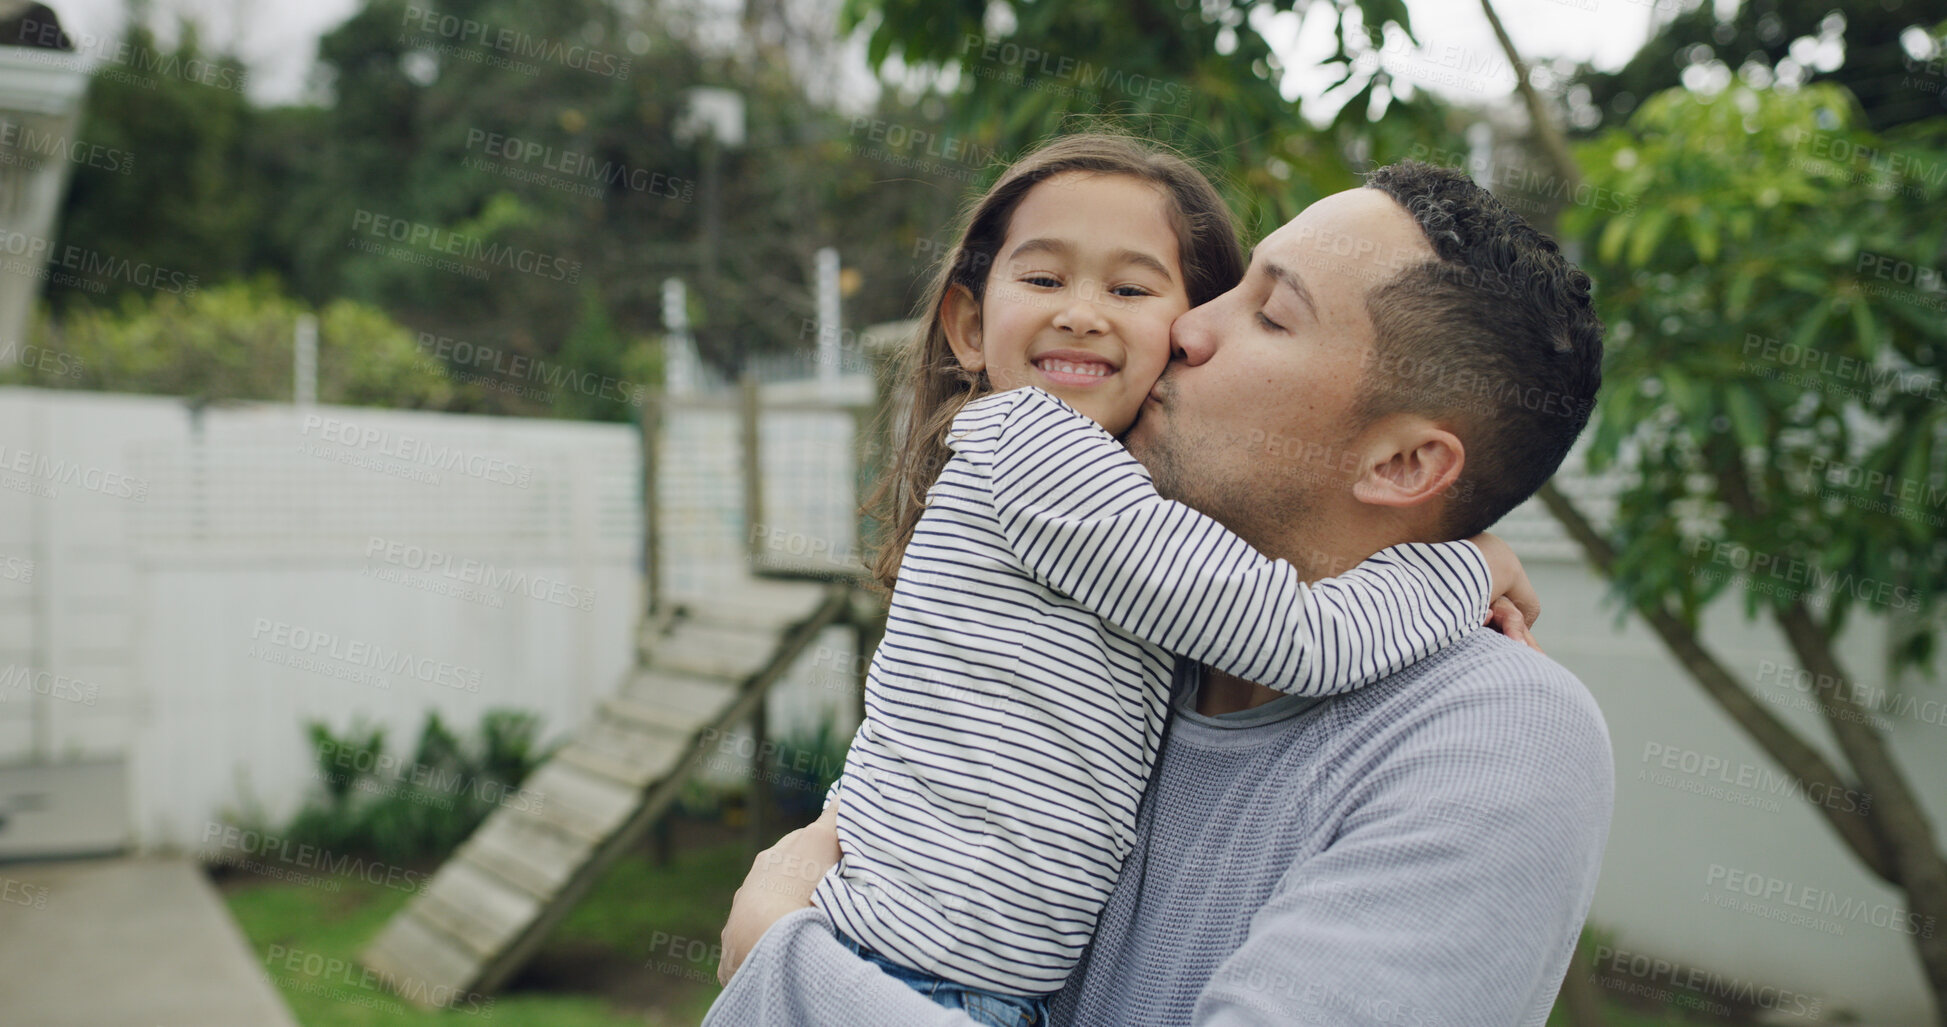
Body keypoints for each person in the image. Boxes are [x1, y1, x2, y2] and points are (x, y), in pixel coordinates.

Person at [706, 157, 1612, 1026]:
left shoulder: (1492, 734)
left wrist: (789, 962)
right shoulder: (1140, 638)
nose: (1185, 328)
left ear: (1405, 461)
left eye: (1270, 314)